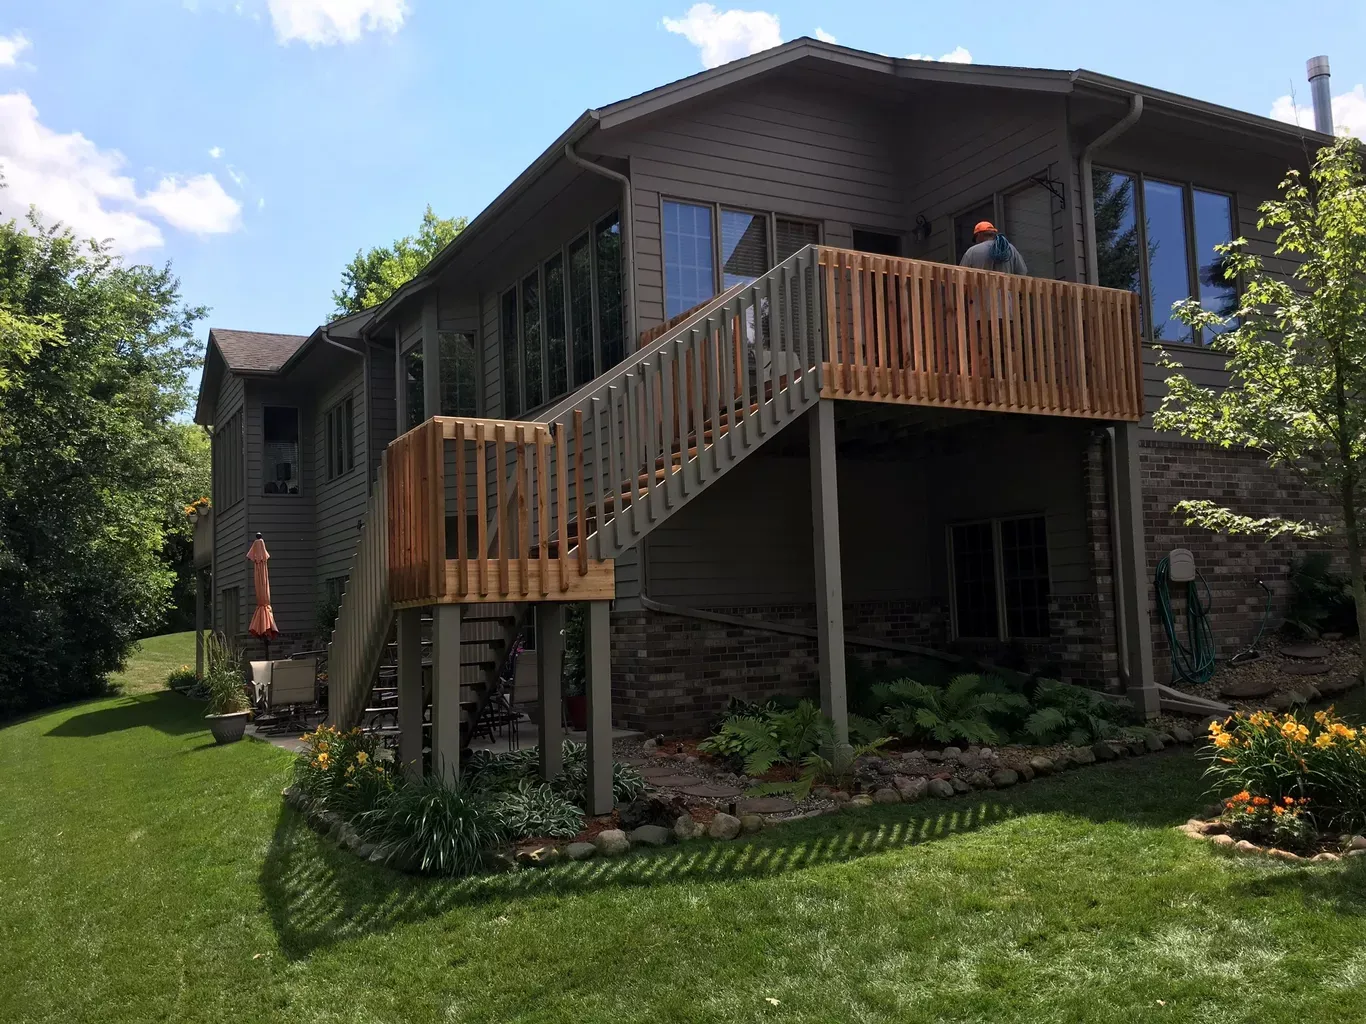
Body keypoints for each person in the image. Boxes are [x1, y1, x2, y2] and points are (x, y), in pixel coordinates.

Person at [959, 221, 1028, 275]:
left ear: (979, 235)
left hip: (981, 293)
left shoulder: (972, 251)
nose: (976, 242)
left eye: (975, 239)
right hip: (1006, 293)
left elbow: (961, 275)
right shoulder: (1010, 249)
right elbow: (1022, 272)